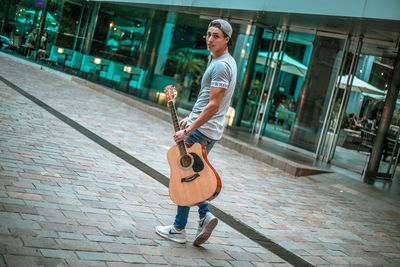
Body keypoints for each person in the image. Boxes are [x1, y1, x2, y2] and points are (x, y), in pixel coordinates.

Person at [155, 19, 237, 246]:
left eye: (216, 36)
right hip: (205, 127)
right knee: (193, 174)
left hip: (202, 131)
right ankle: (203, 215)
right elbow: (206, 102)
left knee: (185, 176)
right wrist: (191, 117)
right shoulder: (224, 61)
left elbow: (213, 105)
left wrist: (190, 128)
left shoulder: (221, 65)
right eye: (208, 34)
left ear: (226, 39)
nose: (210, 39)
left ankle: (179, 228)